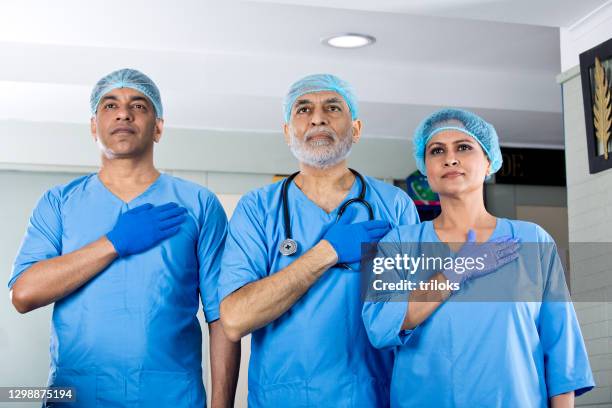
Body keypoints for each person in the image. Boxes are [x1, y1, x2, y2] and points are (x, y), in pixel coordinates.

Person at [9, 68, 240, 407]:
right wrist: (113, 243)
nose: (123, 113)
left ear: (158, 127)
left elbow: (222, 317)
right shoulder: (59, 203)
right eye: (110, 105)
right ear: (93, 126)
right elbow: (24, 294)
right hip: (77, 396)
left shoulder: (198, 204)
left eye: (139, 105)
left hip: (172, 396)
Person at [362, 108, 595, 407]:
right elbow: (381, 326)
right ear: (426, 168)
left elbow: (562, 352)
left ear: (488, 162)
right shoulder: (398, 243)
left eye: (464, 147)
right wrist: (456, 271)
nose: (450, 158)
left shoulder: (532, 240)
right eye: (437, 150)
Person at [218, 73, 420, 407]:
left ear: (355, 129)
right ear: (287, 132)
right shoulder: (257, 208)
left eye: (332, 107)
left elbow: (414, 315)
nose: (318, 117)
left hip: (371, 398)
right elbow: (236, 319)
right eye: (303, 109)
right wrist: (326, 253)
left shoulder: (395, 206)